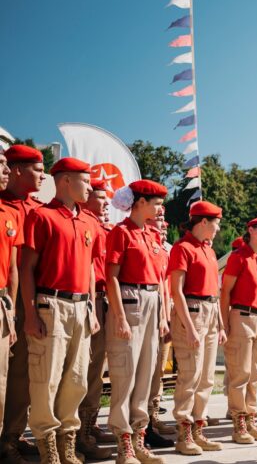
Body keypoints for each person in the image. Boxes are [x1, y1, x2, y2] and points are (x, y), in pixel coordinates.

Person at [21, 157, 102, 464]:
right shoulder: (42, 217)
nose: (90, 187)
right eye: (85, 180)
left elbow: (91, 271)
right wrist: (30, 314)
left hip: (81, 307)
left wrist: (92, 308)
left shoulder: (89, 222)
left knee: (78, 379)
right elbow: (26, 268)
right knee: (47, 379)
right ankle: (47, 445)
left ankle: (68, 440)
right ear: (66, 180)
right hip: (50, 305)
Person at [105, 180, 170, 464]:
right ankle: (123, 444)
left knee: (145, 375)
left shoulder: (152, 236)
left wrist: (164, 317)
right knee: (125, 375)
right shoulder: (121, 233)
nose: (159, 209)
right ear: (140, 202)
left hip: (152, 303)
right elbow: (111, 277)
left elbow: (159, 280)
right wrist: (119, 317)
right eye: (155, 203)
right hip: (130, 304)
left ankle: (139, 438)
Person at [168, 201, 225, 455]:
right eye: (216, 223)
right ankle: (184, 433)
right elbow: (176, 291)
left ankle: (198, 429)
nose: (218, 229)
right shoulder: (183, 248)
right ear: (203, 222)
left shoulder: (208, 250)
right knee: (190, 376)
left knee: (206, 378)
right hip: (191, 313)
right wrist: (189, 327)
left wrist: (221, 324)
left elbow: (216, 291)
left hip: (211, 313)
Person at [0, 144, 44, 462]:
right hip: (11, 303)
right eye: (37, 169)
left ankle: (12, 437)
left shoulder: (37, 209)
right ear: (18, 170)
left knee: (23, 377)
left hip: (30, 302)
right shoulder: (5, 207)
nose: (42, 175)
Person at [221, 218, 257, 443]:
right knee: (240, 373)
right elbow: (225, 293)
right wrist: (224, 324)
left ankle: (251, 417)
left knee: (255, 374)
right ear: (250, 230)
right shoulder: (238, 257)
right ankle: (238, 421)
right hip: (241, 316)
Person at [76, 179, 115, 460]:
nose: (104, 203)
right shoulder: (84, 222)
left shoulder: (101, 227)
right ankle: (78, 432)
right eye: (99, 197)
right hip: (87, 300)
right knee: (82, 370)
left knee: (95, 372)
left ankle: (89, 426)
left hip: (101, 300)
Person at [145, 210, 176, 448]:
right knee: (144, 372)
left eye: (165, 227)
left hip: (163, 312)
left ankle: (152, 417)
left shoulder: (167, 249)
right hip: (145, 310)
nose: (163, 229)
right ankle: (143, 424)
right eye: (159, 224)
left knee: (158, 371)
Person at [0, 151, 22, 461]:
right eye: (0, 163)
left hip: (1, 302)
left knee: (1, 384)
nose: (7, 169)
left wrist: (12, 312)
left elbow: (15, 268)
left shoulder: (9, 213)